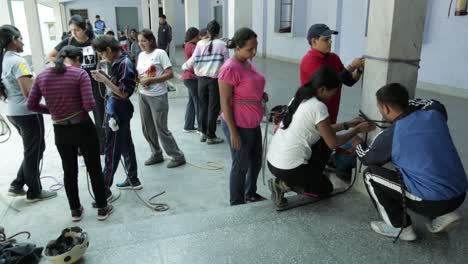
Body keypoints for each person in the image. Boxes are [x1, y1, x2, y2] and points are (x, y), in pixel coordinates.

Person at [352, 83, 467, 241]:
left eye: (379, 107)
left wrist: (357, 142)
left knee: (371, 175)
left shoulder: (389, 136)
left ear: (385, 109)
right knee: (428, 166)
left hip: (433, 201)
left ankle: (399, 227)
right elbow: (430, 102)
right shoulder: (435, 112)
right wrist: (404, 104)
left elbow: (367, 158)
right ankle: (441, 215)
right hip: (460, 193)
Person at [267, 67, 374, 208]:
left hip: (273, 162)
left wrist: (348, 124)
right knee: (325, 190)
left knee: (322, 141)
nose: (334, 95)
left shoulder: (300, 98)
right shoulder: (318, 107)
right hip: (289, 167)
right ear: (323, 89)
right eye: (333, 92)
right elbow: (333, 143)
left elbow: (323, 129)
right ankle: (283, 185)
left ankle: (302, 176)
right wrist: (356, 131)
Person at [27, 45, 113, 221]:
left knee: (69, 170)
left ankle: (75, 210)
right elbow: (89, 105)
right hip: (82, 126)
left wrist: (54, 111)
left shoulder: (42, 76)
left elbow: (31, 105)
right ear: (77, 60)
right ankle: (102, 208)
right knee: (94, 168)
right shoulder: (80, 74)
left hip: (60, 129)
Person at [0, 25, 57, 202]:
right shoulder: (18, 61)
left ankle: (17, 184)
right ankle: (34, 191)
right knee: (34, 150)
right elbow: (28, 92)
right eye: (21, 38)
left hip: (14, 111)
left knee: (34, 148)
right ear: (13, 40)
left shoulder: (4, 60)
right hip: (27, 112)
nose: (23, 42)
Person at [219, 28, 268, 205]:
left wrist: (260, 95)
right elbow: (224, 102)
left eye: (255, 47)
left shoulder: (247, 62)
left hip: (252, 121)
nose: (254, 52)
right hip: (238, 124)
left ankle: (250, 192)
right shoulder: (229, 68)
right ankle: (237, 202)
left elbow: (247, 87)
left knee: (256, 160)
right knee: (240, 165)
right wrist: (233, 132)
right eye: (250, 49)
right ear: (237, 48)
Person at [91, 36, 143, 194]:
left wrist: (104, 80)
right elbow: (117, 86)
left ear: (108, 49)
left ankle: (103, 190)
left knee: (112, 149)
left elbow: (124, 93)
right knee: (126, 144)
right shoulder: (116, 62)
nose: (102, 57)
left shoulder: (125, 63)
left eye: (102, 54)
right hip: (116, 107)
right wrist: (106, 76)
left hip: (119, 109)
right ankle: (133, 178)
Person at [48, 15, 106, 156]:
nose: (74, 33)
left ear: (85, 28)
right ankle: (82, 147)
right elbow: (50, 56)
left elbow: (105, 56)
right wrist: (64, 67)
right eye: (71, 30)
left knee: (100, 117)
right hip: (75, 87)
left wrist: (102, 65)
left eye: (77, 30)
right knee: (79, 119)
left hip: (95, 84)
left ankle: (103, 146)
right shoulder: (68, 42)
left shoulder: (94, 42)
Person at [136, 29, 186, 168]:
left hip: (158, 96)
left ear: (151, 40)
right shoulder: (140, 55)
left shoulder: (160, 53)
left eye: (144, 41)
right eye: (139, 41)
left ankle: (177, 156)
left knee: (160, 128)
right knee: (147, 127)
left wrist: (152, 81)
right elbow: (140, 73)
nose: (141, 44)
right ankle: (156, 153)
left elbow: (169, 74)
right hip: (143, 94)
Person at [300, 23, 364, 124]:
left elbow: (348, 80)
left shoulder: (333, 58)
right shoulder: (309, 61)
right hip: (315, 113)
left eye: (330, 39)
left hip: (332, 111)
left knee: (329, 135)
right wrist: (352, 66)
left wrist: (359, 70)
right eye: (326, 39)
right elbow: (330, 83)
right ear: (314, 41)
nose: (330, 42)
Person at [182, 20, 229, 145]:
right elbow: (226, 64)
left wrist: (184, 66)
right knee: (213, 108)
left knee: (203, 106)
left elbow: (193, 59)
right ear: (219, 31)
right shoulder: (222, 44)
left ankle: (203, 132)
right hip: (215, 81)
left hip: (201, 81)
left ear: (207, 31)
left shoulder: (200, 44)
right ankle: (211, 136)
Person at [182, 27, 200, 133]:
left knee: (192, 102)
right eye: (198, 35)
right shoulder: (192, 46)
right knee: (198, 102)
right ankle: (201, 128)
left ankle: (188, 126)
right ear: (194, 36)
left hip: (188, 77)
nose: (199, 37)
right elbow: (194, 62)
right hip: (192, 77)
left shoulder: (188, 45)